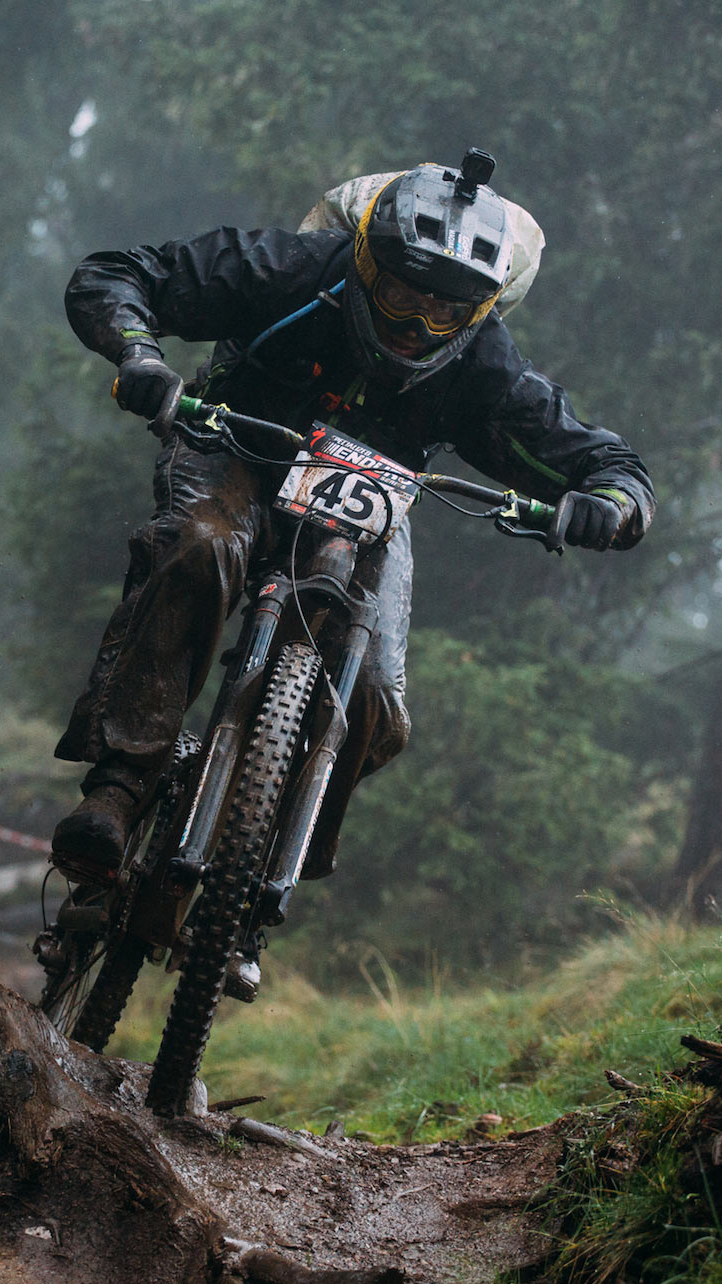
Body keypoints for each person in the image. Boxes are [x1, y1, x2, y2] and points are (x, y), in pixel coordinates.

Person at [51, 150, 656, 878]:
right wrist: (139, 354)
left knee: (373, 691)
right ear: (368, 263)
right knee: (200, 546)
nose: (417, 322)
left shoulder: (483, 362)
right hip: (239, 448)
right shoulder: (294, 271)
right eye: (403, 292)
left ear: (481, 309)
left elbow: (615, 468)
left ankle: (269, 853)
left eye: (447, 308)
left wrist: (609, 508)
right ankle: (120, 783)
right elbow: (119, 273)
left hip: (369, 508)